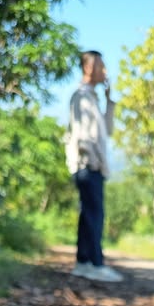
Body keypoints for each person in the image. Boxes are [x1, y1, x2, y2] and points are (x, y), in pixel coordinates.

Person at [65, 50, 123, 283]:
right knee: (95, 215)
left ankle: (83, 263)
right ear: (89, 68)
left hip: (93, 165)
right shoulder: (81, 97)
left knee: (88, 214)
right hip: (88, 166)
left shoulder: (93, 99)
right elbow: (82, 137)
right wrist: (93, 161)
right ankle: (96, 264)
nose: (105, 71)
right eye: (101, 66)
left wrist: (109, 101)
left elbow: (107, 130)